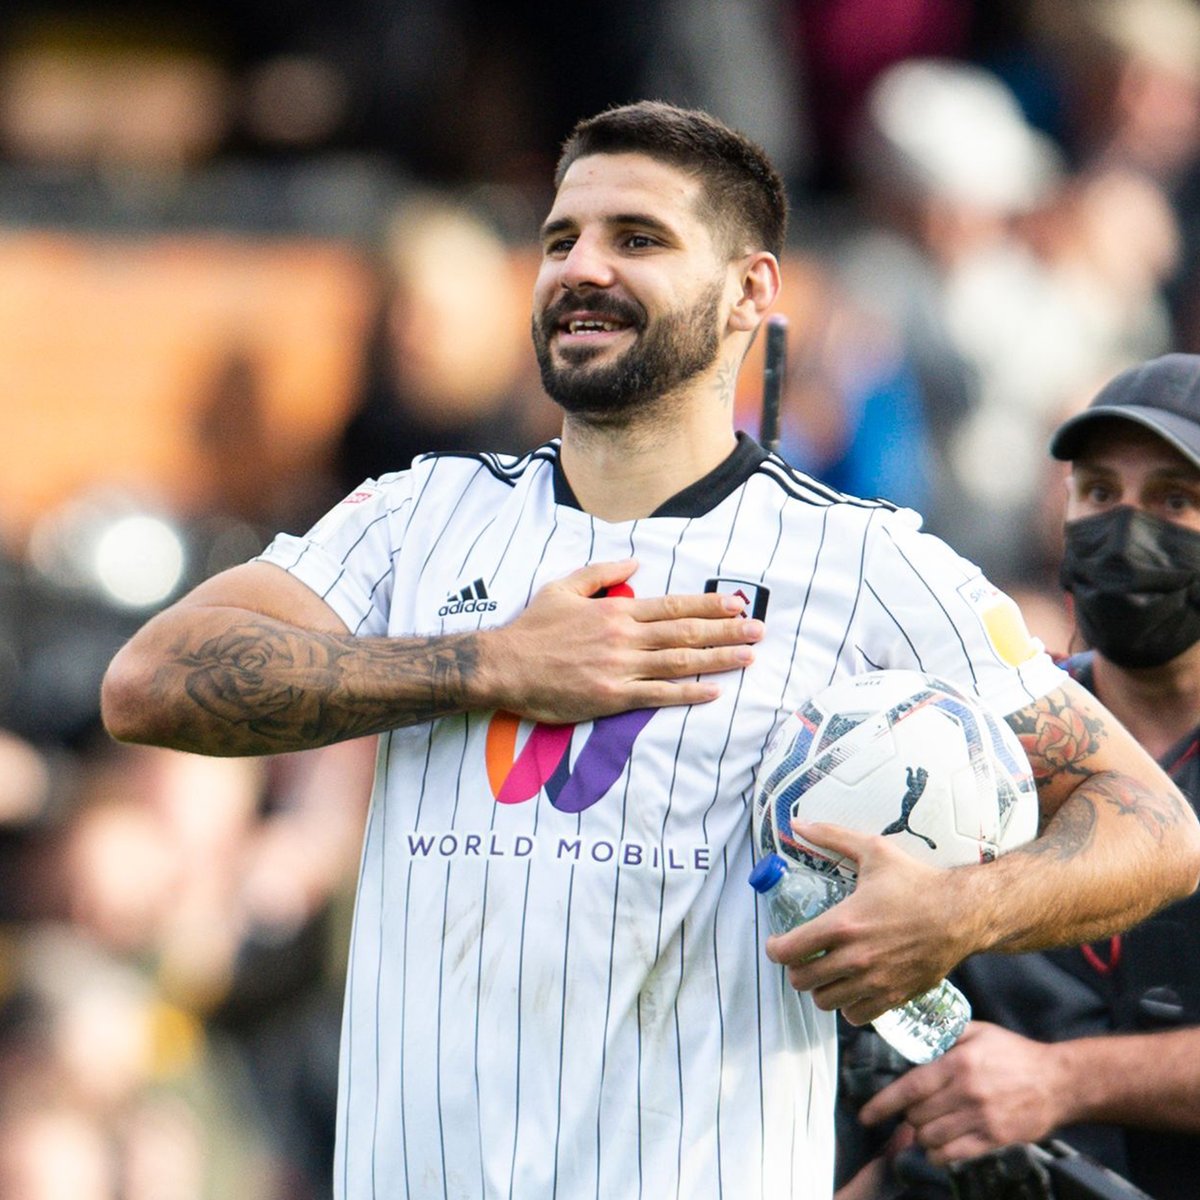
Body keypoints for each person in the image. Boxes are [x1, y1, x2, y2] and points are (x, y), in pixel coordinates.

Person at [99, 102, 1200, 1200]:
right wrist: (485, 665)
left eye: (638, 239)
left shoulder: (865, 561)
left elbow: (1154, 827)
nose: (582, 268)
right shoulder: (413, 517)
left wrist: (959, 913)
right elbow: (150, 681)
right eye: (558, 239)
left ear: (750, 294)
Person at [842, 353, 1200, 1200]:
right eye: (1098, 492)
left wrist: (1061, 1080)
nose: (1125, 528)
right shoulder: (964, 746)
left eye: (1176, 501)